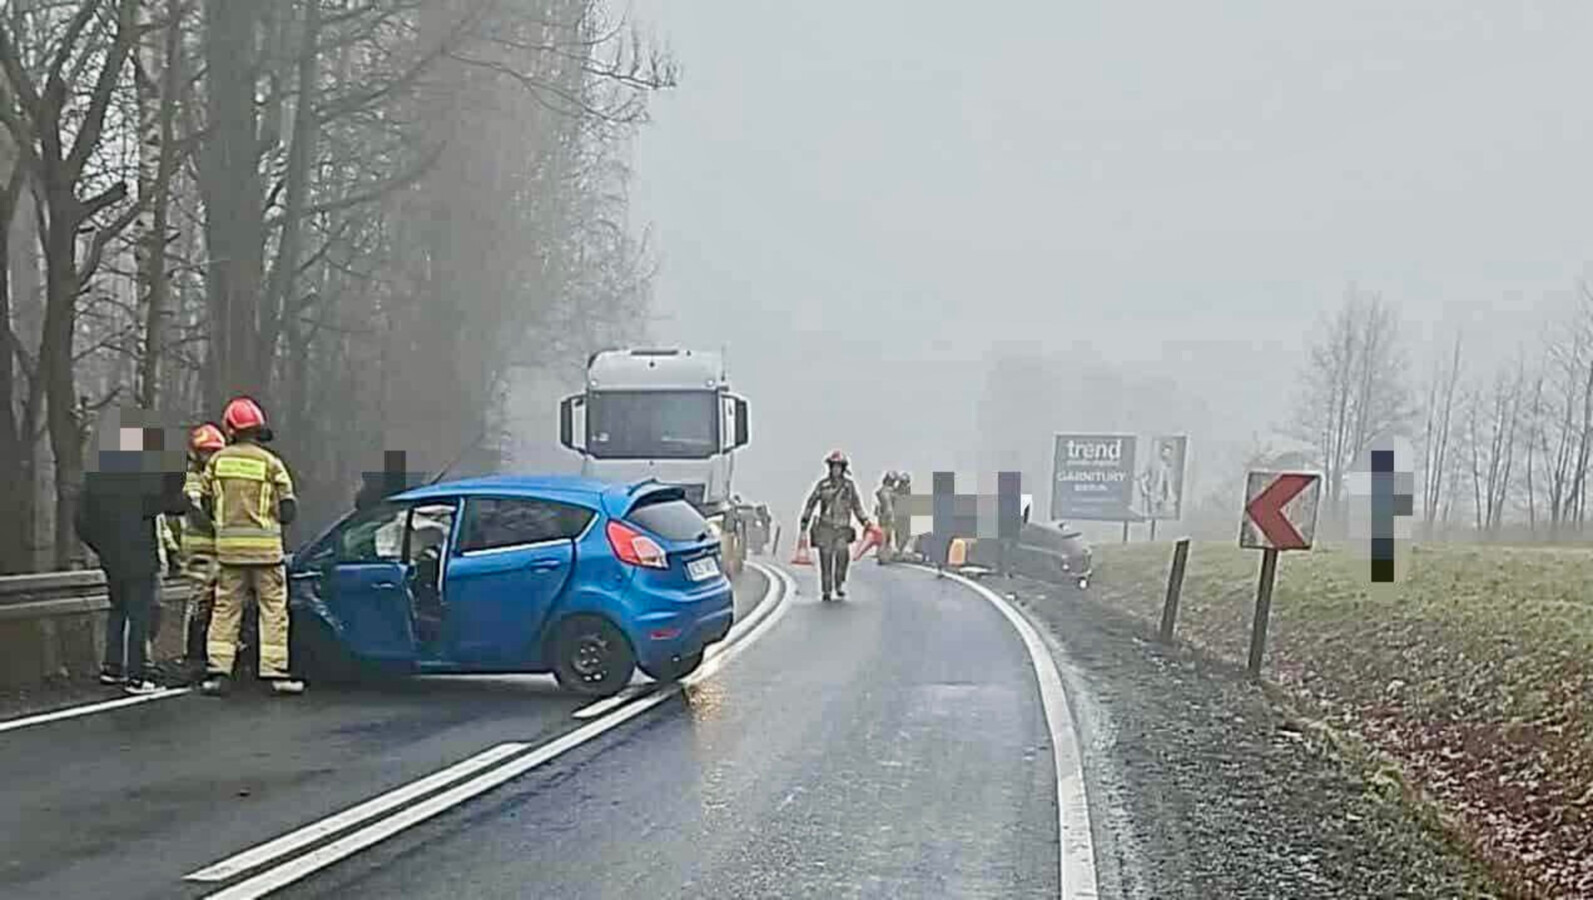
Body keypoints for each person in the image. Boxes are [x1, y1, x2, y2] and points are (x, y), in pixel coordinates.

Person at [74, 407, 188, 695]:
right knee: (139, 614)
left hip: (112, 556)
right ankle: (137, 676)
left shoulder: (97, 475)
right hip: (140, 554)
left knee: (118, 609)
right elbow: (173, 498)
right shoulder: (145, 476)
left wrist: (101, 546)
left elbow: (81, 520)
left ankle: (112, 669)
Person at [200, 397, 304, 697]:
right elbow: (288, 510)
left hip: (230, 552)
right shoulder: (271, 463)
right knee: (273, 611)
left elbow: (205, 502)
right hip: (266, 553)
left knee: (225, 611)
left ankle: (219, 673)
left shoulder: (218, 462)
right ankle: (274, 672)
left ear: (230, 428)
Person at [175, 423, 226, 682]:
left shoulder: (215, 478)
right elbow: (197, 510)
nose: (211, 457)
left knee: (217, 602)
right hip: (199, 549)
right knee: (200, 600)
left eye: (215, 451)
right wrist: (221, 528)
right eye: (207, 452)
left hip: (217, 548)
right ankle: (194, 654)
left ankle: (210, 653)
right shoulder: (192, 479)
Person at [799, 450, 873, 601]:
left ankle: (839, 584)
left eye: (839, 467)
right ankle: (826, 590)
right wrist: (804, 522)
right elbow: (811, 503)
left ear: (843, 468)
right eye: (834, 466)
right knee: (825, 560)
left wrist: (865, 521)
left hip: (842, 529)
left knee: (842, 555)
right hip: (825, 528)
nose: (836, 469)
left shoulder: (849, 487)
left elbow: (856, 506)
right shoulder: (823, 485)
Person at [873, 472, 898, 564]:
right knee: (885, 536)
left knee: (886, 536)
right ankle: (883, 556)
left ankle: (884, 555)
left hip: (884, 516)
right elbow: (888, 506)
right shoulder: (887, 492)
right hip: (887, 516)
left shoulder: (885, 491)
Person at [892, 471, 913, 558]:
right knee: (898, 533)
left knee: (904, 534)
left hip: (905, 515)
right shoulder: (896, 490)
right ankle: (898, 550)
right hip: (898, 515)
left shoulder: (907, 490)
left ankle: (900, 550)